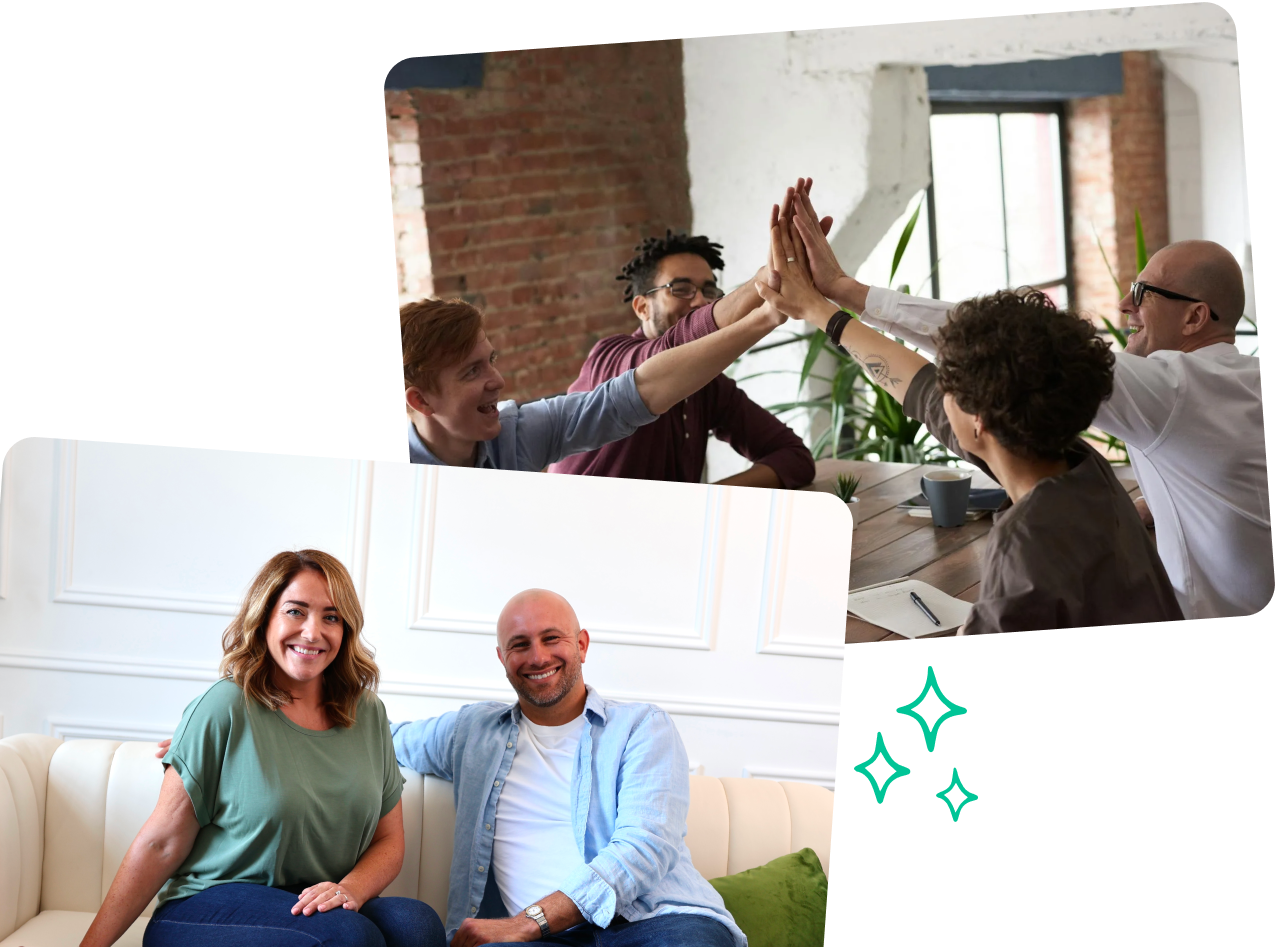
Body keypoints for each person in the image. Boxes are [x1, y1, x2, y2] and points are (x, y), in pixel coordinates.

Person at [0, 550, 447, 947]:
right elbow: (161, 842)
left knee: (416, 928)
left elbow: (389, 841)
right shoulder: (226, 706)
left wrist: (352, 889)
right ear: (266, 616)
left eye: (331, 616)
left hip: (312, 911)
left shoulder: (367, 714)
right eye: (295, 611)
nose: (313, 631)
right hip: (205, 917)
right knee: (349, 942)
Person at [787, 179, 1270, 620]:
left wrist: (842, 295)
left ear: (1196, 318)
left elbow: (1001, 346)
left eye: (1142, 292)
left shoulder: (1174, 390)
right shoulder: (1228, 386)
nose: (1125, 304)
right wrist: (1160, 503)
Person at [390, 589, 754, 947]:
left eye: (551, 638)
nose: (537, 657)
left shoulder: (641, 727)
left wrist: (529, 920)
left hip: (659, 926)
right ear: (502, 659)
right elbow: (380, 738)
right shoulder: (470, 732)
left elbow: (645, 847)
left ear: (581, 644)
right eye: (519, 645)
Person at [402, 189, 806, 474]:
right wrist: (760, 292)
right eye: (471, 371)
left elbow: (633, 395)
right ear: (420, 400)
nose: (498, 381)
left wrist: (766, 316)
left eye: (490, 361)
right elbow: (665, 354)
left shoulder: (516, 435)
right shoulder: (612, 356)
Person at [545, 225, 818, 487]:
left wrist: (704, 499)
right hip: (578, 531)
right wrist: (764, 282)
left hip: (664, 530)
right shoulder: (610, 358)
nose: (700, 301)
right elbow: (671, 351)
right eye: (681, 288)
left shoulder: (709, 386)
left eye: (709, 291)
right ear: (642, 307)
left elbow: (794, 457)